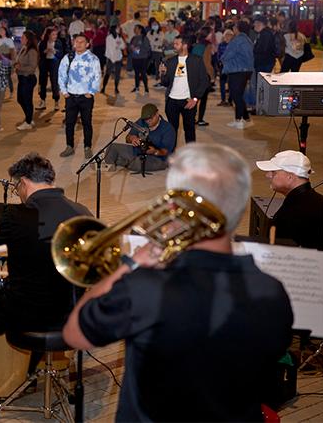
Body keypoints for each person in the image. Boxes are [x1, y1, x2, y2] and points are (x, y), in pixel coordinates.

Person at [63, 144, 294, 422]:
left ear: (174, 208)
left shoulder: (147, 287)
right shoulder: (272, 291)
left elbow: (75, 334)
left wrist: (132, 264)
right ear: (240, 206)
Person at [0, 152, 91, 403]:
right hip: (72, 314)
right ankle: (35, 367)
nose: (18, 193)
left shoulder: (17, 217)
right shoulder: (82, 212)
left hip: (27, 316)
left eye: (16, 187)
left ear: (23, 182)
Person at [256, 150, 323, 251]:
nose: (268, 175)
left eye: (273, 172)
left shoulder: (290, 213)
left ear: (290, 177)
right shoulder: (320, 202)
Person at [158, 34, 209, 144]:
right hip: (172, 101)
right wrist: (163, 74)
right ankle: (171, 156)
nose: (174, 46)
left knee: (190, 130)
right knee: (172, 131)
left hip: (188, 101)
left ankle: (190, 156)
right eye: (174, 44)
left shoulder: (196, 60)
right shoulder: (170, 61)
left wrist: (195, 99)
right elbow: (165, 83)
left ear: (185, 45)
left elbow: (204, 81)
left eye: (177, 44)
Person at [58, 34, 101, 158]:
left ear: (87, 44)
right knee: (69, 123)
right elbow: (61, 74)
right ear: (73, 43)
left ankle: (87, 147)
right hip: (71, 96)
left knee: (87, 122)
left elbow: (97, 76)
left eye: (82, 42)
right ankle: (69, 146)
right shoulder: (68, 57)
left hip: (85, 97)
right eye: (77, 41)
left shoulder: (93, 59)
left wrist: (91, 92)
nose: (79, 44)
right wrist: (64, 91)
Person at [103, 103, 176, 172]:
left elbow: (166, 152)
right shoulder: (141, 122)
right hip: (138, 151)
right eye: (146, 119)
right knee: (112, 147)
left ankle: (121, 161)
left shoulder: (168, 129)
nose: (148, 121)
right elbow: (127, 138)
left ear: (157, 114)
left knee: (138, 163)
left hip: (158, 158)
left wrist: (155, 151)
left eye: (150, 118)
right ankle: (110, 165)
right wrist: (132, 138)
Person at [221, 20, 254, 129]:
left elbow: (228, 54)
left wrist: (222, 59)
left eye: (235, 26)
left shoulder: (237, 40)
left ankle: (239, 120)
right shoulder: (247, 39)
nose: (233, 28)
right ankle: (246, 118)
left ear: (238, 29)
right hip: (246, 70)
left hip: (237, 70)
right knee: (239, 95)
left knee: (236, 95)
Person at [14, 30, 39, 131]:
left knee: (27, 100)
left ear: (28, 39)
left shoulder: (32, 51)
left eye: (23, 37)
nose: (21, 39)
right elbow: (18, 61)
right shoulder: (24, 49)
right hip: (22, 78)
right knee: (20, 99)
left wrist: (19, 68)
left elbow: (32, 67)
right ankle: (29, 118)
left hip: (28, 78)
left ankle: (28, 122)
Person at [191, 29, 215, 127]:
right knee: (204, 99)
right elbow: (207, 62)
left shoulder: (196, 45)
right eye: (210, 34)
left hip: (195, 73)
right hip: (204, 74)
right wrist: (212, 75)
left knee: (195, 97)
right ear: (207, 35)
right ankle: (200, 119)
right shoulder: (208, 46)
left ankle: (192, 118)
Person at [36, 27, 63, 110]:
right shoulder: (43, 43)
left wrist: (54, 51)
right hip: (44, 63)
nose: (55, 36)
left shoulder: (58, 42)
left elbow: (61, 53)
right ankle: (42, 101)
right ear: (48, 35)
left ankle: (56, 102)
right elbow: (40, 53)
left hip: (54, 63)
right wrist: (45, 51)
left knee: (54, 81)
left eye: (56, 34)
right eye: (53, 34)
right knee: (42, 81)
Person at [101, 26, 125, 96]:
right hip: (111, 58)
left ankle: (116, 88)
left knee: (117, 74)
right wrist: (113, 59)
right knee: (108, 73)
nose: (119, 29)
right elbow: (110, 49)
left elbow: (123, 46)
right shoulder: (109, 37)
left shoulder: (119, 37)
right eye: (117, 28)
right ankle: (103, 87)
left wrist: (119, 44)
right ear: (113, 29)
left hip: (118, 58)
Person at [129, 24, 151, 94]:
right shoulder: (133, 38)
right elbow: (130, 47)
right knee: (136, 73)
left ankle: (146, 89)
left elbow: (147, 48)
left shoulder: (144, 38)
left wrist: (137, 50)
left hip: (142, 58)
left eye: (136, 28)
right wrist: (131, 48)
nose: (134, 29)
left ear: (140, 29)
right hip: (135, 58)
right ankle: (136, 87)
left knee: (143, 73)